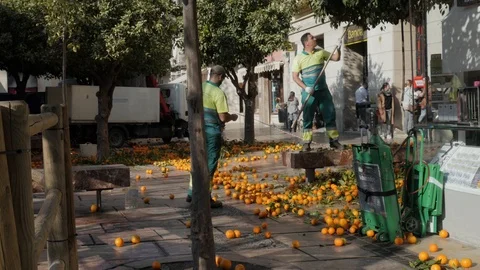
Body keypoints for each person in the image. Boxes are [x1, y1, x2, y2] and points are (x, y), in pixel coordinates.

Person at [186, 65, 238, 208]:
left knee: (196, 162)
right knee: (210, 164)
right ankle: (204, 197)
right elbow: (222, 117)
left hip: (196, 131)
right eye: (223, 78)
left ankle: (192, 193)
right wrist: (232, 117)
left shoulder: (200, 87)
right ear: (220, 76)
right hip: (211, 133)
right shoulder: (218, 93)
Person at [292, 32, 343, 151]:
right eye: (312, 38)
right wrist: (306, 88)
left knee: (330, 114)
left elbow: (336, 57)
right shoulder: (298, 58)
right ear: (307, 43)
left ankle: (334, 141)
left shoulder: (321, 52)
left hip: (323, 90)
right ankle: (306, 142)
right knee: (308, 117)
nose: (315, 38)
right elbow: (295, 77)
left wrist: (339, 47)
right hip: (309, 92)